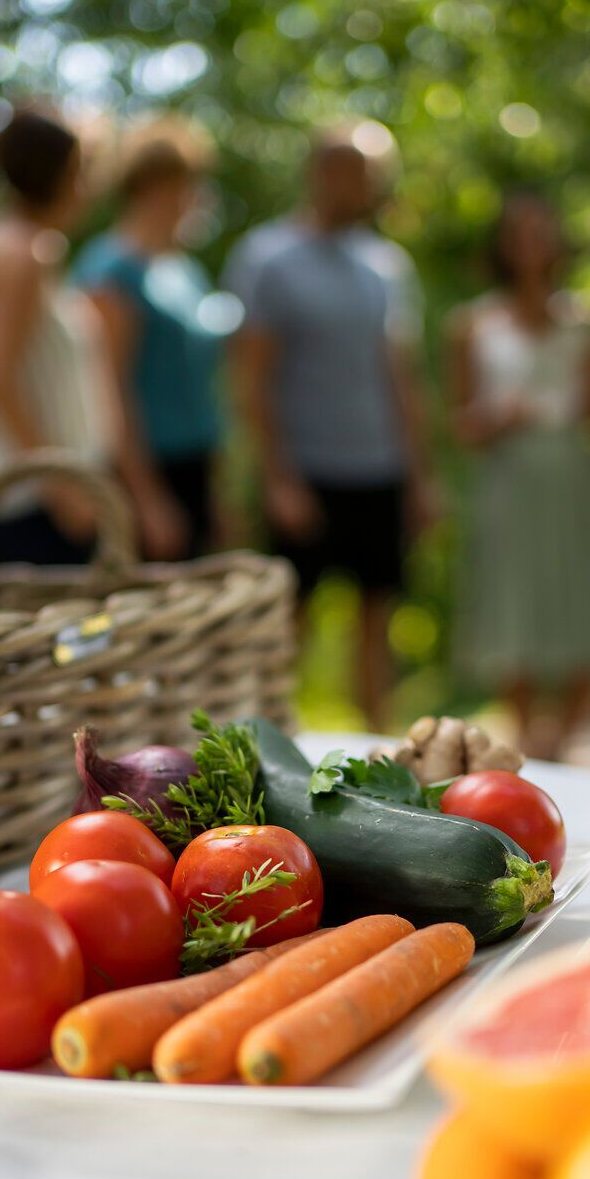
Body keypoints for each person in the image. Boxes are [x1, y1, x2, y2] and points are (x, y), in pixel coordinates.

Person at [226, 123, 435, 729]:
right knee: (292, 626)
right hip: (307, 473)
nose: (370, 187)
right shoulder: (267, 258)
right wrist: (277, 477)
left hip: (380, 469)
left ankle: (381, 755)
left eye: (376, 176)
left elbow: (401, 376)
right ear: (323, 173)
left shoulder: (387, 265)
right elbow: (251, 378)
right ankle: (275, 750)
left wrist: (420, 477)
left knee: (378, 622)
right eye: (359, 173)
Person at [447, 189, 590, 761]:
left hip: (573, 478)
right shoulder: (471, 324)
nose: (531, 243)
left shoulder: (585, 322)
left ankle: (561, 743)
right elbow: (462, 426)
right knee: (512, 608)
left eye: (541, 230)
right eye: (519, 232)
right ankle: (529, 737)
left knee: (582, 604)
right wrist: (501, 417)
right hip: (511, 480)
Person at [0, 107, 116, 565]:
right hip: (36, 511)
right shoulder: (25, 256)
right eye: (84, 171)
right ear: (63, 173)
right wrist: (63, 491)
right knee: (75, 639)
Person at [74, 117, 226, 561]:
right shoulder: (110, 272)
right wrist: (146, 500)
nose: (196, 198)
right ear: (153, 187)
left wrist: (216, 494)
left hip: (194, 469)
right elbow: (108, 389)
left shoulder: (185, 270)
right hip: (144, 474)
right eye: (187, 184)